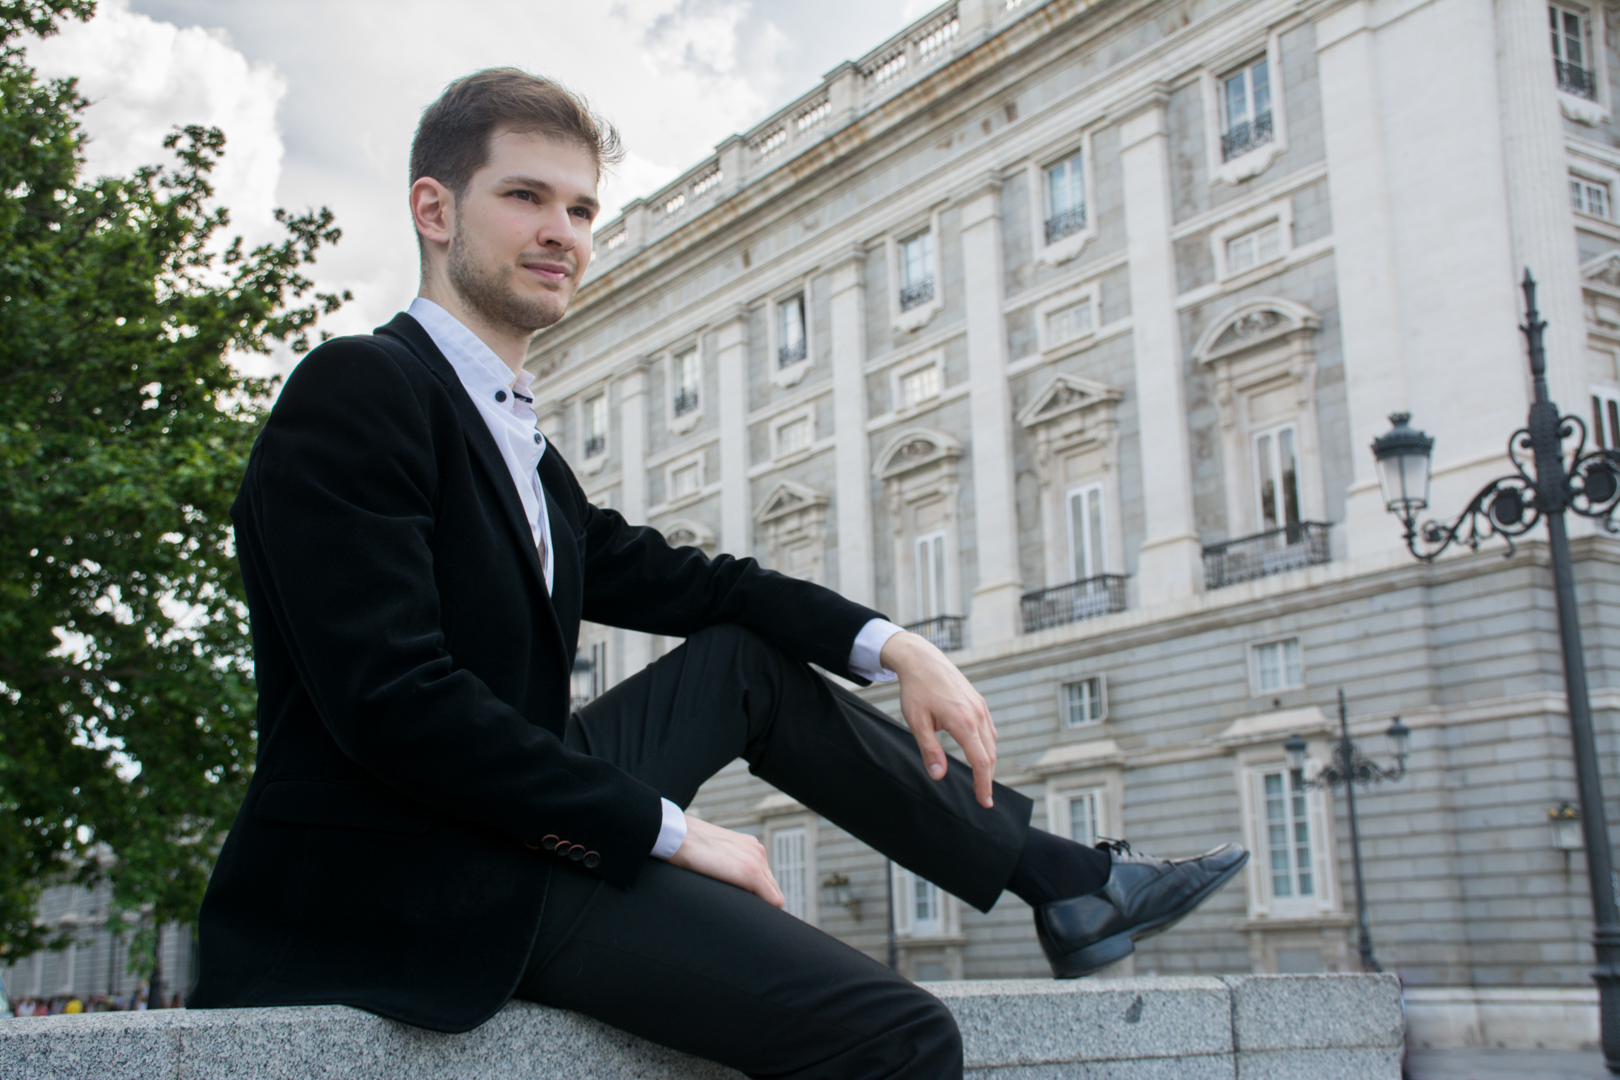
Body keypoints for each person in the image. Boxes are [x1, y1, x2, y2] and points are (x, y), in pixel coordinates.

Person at [186, 68, 1248, 1078]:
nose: (563, 233)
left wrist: (893, 644)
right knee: (897, 1041)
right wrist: (672, 832)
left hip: (496, 818)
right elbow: (394, 706)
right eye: (526, 197)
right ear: (435, 209)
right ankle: (1065, 887)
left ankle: (1069, 883)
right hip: (411, 871)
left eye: (584, 209)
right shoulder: (359, 388)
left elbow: (706, 587)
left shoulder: (519, 448)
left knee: (744, 661)